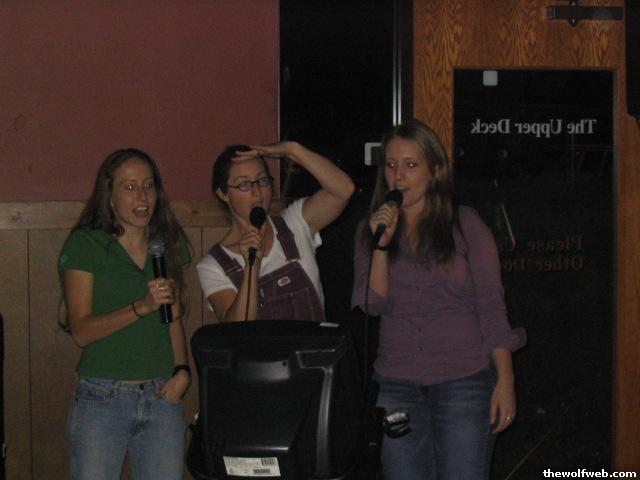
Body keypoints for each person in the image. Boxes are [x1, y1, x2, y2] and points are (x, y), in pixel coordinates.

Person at [351, 120, 526, 480]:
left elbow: (491, 306)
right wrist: (381, 246)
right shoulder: (371, 229)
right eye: (391, 164)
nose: (398, 175)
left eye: (411, 164)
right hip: (396, 384)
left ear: (434, 170)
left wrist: (505, 380)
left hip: (464, 380)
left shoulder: (465, 223)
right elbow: (372, 305)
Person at [58, 148, 191, 480]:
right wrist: (141, 307)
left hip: (162, 396)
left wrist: (182, 370)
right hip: (103, 397)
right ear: (110, 196)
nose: (142, 196)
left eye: (148, 186)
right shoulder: (85, 244)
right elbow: (81, 332)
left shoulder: (167, 242)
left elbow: (173, 315)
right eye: (130, 187)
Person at [197, 141, 354, 322]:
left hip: (313, 341)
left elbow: (343, 190)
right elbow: (237, 329)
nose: (257, 191)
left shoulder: (295, 222)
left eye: (262, 180)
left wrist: (292, 150)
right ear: (223, 194)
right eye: (244, 184)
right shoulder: (213, 265)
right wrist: (251, 268)